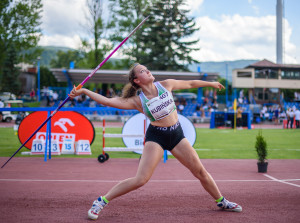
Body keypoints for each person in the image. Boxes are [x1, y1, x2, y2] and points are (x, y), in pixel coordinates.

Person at [69, 63, 242, 221]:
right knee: (141, 179)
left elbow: (190, 84)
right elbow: (107, 101)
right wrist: (84, 91)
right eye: (143, 71)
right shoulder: (137, 101)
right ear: (137, 80)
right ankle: (101, 201)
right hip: (156, 137)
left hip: (176, 134)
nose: (148, 71)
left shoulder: (166, 85)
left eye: (146, 68)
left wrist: (210, 84)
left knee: (200, 171)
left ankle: (221, 201)